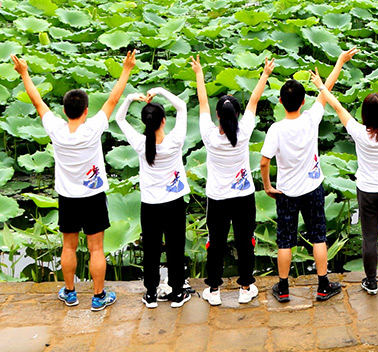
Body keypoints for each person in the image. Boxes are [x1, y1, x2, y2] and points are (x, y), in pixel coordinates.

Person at [11, 50, 136, 311]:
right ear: (86, 110)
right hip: (93, 196)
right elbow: (113, 99)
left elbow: (36, 102)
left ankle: (70, 292)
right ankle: (99, 296)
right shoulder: (93, 128)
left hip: (68, 197)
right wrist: (126, 69)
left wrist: (24, 73)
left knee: (68, 246)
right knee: (96, 248)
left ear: (64, 111)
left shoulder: (56, 129)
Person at [260, 48, 354, 304]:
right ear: (303, 102)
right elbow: (327, 91)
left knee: (285, 240)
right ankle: (323, 286)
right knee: (318, 235)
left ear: (280, 102)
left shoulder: (276, 129)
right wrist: (339, 61)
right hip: (312, 188)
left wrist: (268, 186)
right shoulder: (312, 118)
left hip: (286, 192)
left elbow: (264, 162)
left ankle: (283, 288)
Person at [317, 50, 378, 296]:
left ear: (365, 115)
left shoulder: (359, 132)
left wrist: (320, 85)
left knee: (369, 237)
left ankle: (370, 282)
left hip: (367, 190)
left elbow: (336, 106)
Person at [193, 54, 274, 306]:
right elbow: (254, 100)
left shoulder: (208, 134)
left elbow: (202, 102)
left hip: (217, 198)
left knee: (215, 242)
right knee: (245, 240)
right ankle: (246, 286)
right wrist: (265, 74)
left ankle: (214, 290)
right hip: (243, 196)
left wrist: (199, 73)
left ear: (218, 116)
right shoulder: (245, 130)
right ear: (237, 115)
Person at [115, 86, 193, 308]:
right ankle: (178, 292)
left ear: (145, 123)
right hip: (174, 203)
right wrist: (160, 90)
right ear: (164, 121)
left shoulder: (141, 144)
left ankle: (150, 294)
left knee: (150, 249)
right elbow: (182, 106)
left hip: (150, 205)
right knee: (175, 247)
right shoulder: (175, 141)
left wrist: (130, 97)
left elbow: (120, 119)